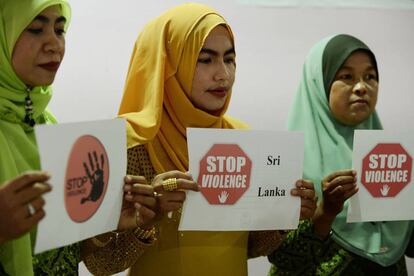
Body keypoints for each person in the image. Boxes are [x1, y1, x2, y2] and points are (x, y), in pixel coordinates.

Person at [82, 3, 317, 275]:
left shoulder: (243, 139)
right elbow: (100, 263)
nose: (224, 74)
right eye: (205, 59)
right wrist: (149, 221)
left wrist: (283, 215)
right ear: (168, 64)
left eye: (229, 59)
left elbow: (250, 247)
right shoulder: (129, 145)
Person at [0, 1, 157, 275]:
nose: (54, 44)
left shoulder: (48, 127)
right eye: (36, 30)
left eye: (60, 31)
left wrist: (104, 222)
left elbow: (60, 260)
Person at [268, 34, 414, 275]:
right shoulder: (286, 160)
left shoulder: (393, 156)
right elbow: (282, 256)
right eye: (346, 77)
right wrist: (326, 211)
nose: (361, 87)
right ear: (319, 83)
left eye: (370, 77)